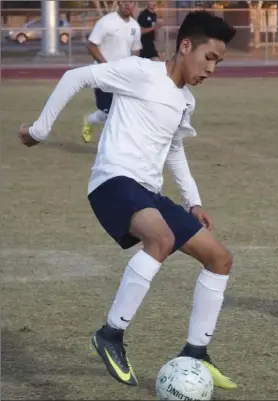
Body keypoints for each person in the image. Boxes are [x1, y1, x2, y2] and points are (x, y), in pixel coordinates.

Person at [18, 11, 238, 390]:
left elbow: (173, 149)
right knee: (162, 239)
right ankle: (110, 334)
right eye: (210, 58)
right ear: (186, 46)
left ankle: (195, 352)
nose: (212, 70)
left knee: (219, 259)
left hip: (147, 192)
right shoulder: (140, 71)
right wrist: (39, 130)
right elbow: (76, 76)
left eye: (218, 62)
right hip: (112, 182)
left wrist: (193, 202)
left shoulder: (185, 100)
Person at [81, 0, 142, 144]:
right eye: (125, 2)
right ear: (119, 3)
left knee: (118, 112)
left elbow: (135, 50)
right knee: (110, 112)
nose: (128, 5)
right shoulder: (106, 22)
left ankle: (89, 120)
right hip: (103, 74)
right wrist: (105, 65)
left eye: (131, 2)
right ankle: (113, 146)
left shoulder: (135, 26)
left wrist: (135, 70)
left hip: (124, 77)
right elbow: (91, 45)